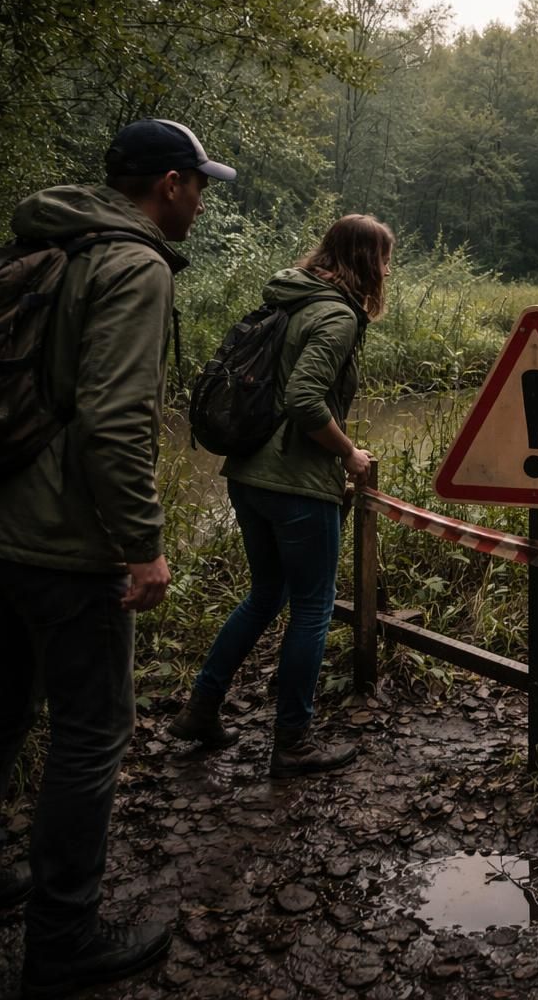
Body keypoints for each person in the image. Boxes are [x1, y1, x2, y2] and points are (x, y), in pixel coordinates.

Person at [0, 120, 234, 994]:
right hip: (58, 540)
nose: (203, 202)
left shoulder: (48, 241)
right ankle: (62, 937)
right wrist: (142, 546)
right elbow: (115, 420)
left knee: (2, 699)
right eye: (199, 185)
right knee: (93, 731)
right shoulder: (132, 264)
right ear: (168, 184)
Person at [168, 214, 393, 778]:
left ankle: (201, 709)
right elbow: (304, 399)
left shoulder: (290, 298)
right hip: (296, 484)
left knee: (266, 593)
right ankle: (292, 740)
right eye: (385, 259)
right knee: (313, 607)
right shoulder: (336, 315)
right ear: (366, 261)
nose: (388, 271)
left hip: (248, 473)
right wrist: (349, 453)